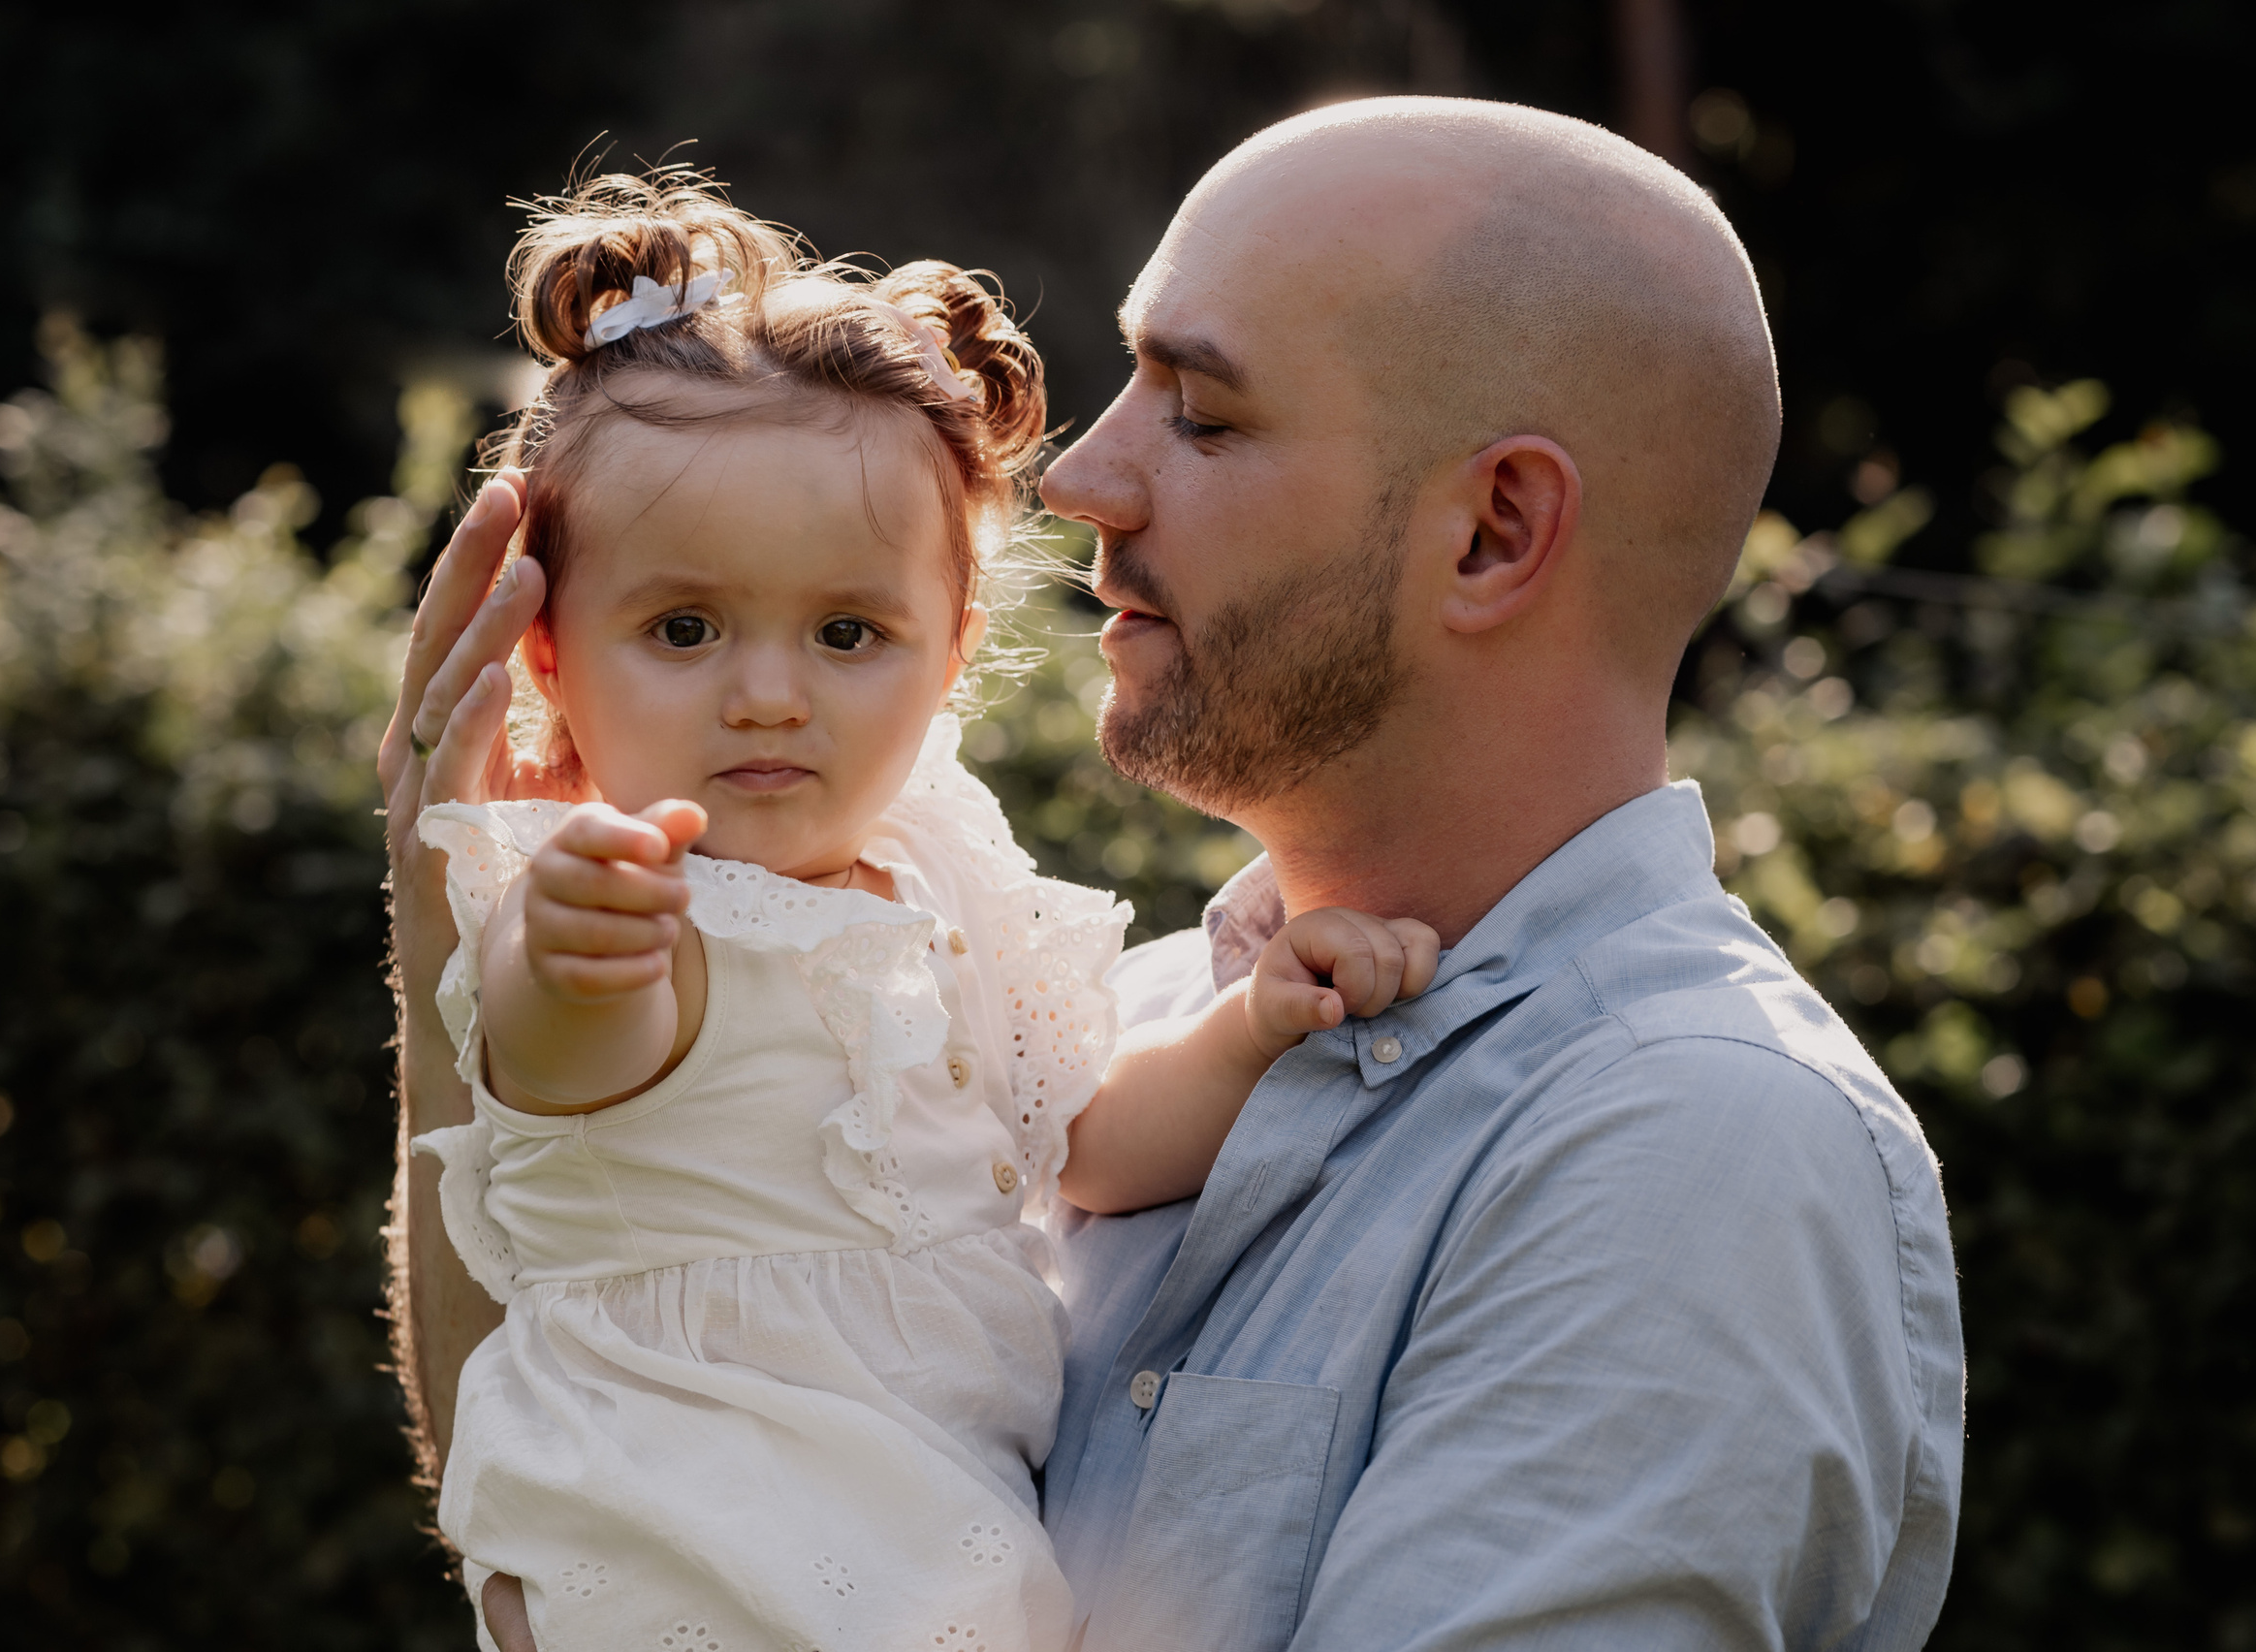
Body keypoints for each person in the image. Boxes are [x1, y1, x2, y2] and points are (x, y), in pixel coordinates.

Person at [385, 99, 1965, 1651]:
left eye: (1200, 414)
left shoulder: (1688, 1145)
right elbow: (592, 1442)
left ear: (1492, 531)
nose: (1076, 479)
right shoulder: (1106, 1025)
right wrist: (453, 930)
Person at [393, 171, 1438, 1652]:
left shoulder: (942, 874)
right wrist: (566, 946)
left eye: (847, 632)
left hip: (937, 1560)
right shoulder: (621, 903)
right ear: (551, 657)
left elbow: (1089, 1141)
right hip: (696, 1558)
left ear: (950, 653)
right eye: (683, 628)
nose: (770, 692)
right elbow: (554, 1054)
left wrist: (1256, 1031)